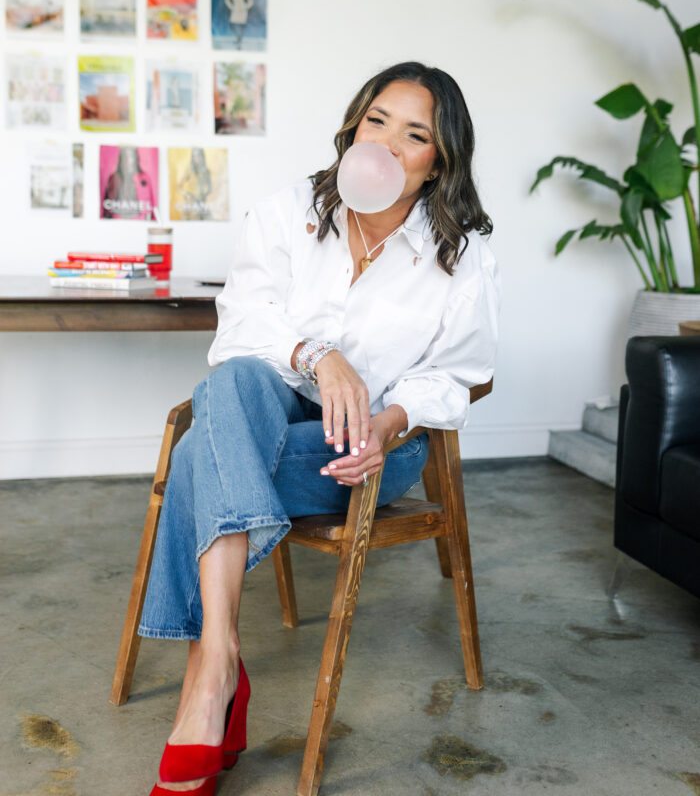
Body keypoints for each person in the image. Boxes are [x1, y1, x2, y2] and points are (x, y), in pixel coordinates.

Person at [140, 61, 500, 795]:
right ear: (353, 127)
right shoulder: (291, 211)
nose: (389, 145)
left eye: (415, 134)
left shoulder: (462, 255)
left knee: (203, 454)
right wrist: (318, 355)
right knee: (234, 383)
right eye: (377, 122)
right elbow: (239, 326)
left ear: (439, 163)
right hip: (274, 409)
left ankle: (213, 685)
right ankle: (216, 662)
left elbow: (459, 375)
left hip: (371, 450)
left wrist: (389, 419)